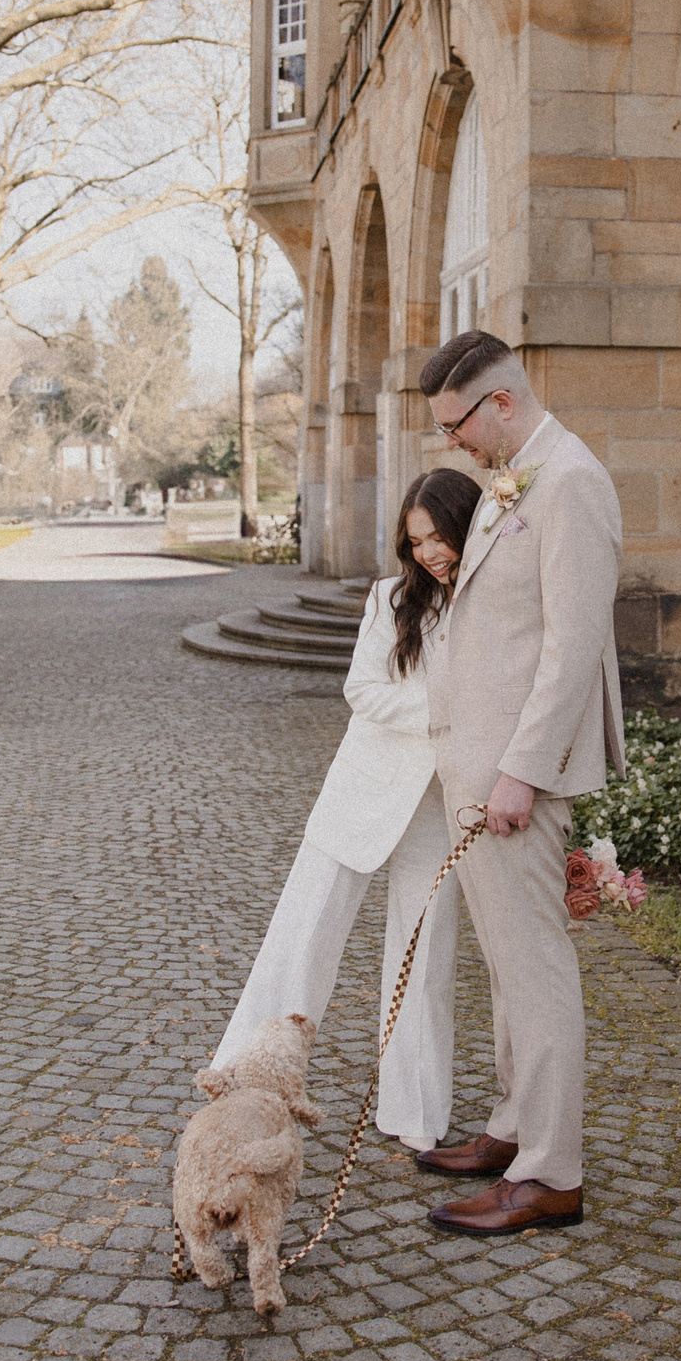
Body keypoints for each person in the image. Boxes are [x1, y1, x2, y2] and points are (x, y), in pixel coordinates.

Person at [412, 329, 623, 1237]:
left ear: (501, 401)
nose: (451, 442)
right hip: (479, 765)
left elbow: (573, 647)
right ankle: (513, 1126)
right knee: (506, 963)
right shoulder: (517, 475)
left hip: (514, 780)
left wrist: (521, 772)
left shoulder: (570, 480)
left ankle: (549, 1174)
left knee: (536, 971)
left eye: (456, 423)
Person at [207, 467, 486, 1151]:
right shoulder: (391, 598)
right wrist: (446, 713)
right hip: (361, 790)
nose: (428, 553)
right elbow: (362, 690)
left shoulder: (490, 599)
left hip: (439, 803)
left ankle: (415, 1114)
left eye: (438, 537)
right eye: (415, 541)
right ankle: (238, 1084)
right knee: (302, 936)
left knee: (425, 960)